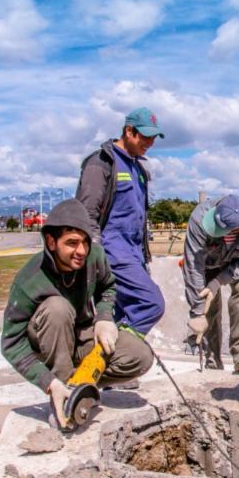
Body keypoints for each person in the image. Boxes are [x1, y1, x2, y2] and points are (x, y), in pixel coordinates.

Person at [0, 199, 152, 429]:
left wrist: (104, 318)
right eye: (71, 243)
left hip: (80, 334)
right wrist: (47, 381)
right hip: (47, 341)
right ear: (51, 242)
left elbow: (108, 286)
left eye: (85, 242)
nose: (81, 251)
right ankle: (61, 393)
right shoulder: (29, 281)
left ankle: (81, 387)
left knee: (140, 356)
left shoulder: (94, 256)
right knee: (57, 308)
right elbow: (11, 343)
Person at [75, 107, 166, 338]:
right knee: (151, 303)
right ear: (129, 131)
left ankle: (112, 358)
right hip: (112, 253)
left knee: (122, 314)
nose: (150, 143)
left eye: (154, 137)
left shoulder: (138, 168)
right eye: (145, 136)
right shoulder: (102, 163)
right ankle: (126, 347)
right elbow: (86, 213)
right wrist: (94, 254)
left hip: (134, 254)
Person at [182, 195, 239, 374]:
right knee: (208, 306)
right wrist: (197, 312)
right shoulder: (199, 218)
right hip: (208, 263)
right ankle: (212, 359)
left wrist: (218, 282)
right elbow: (193, 264)